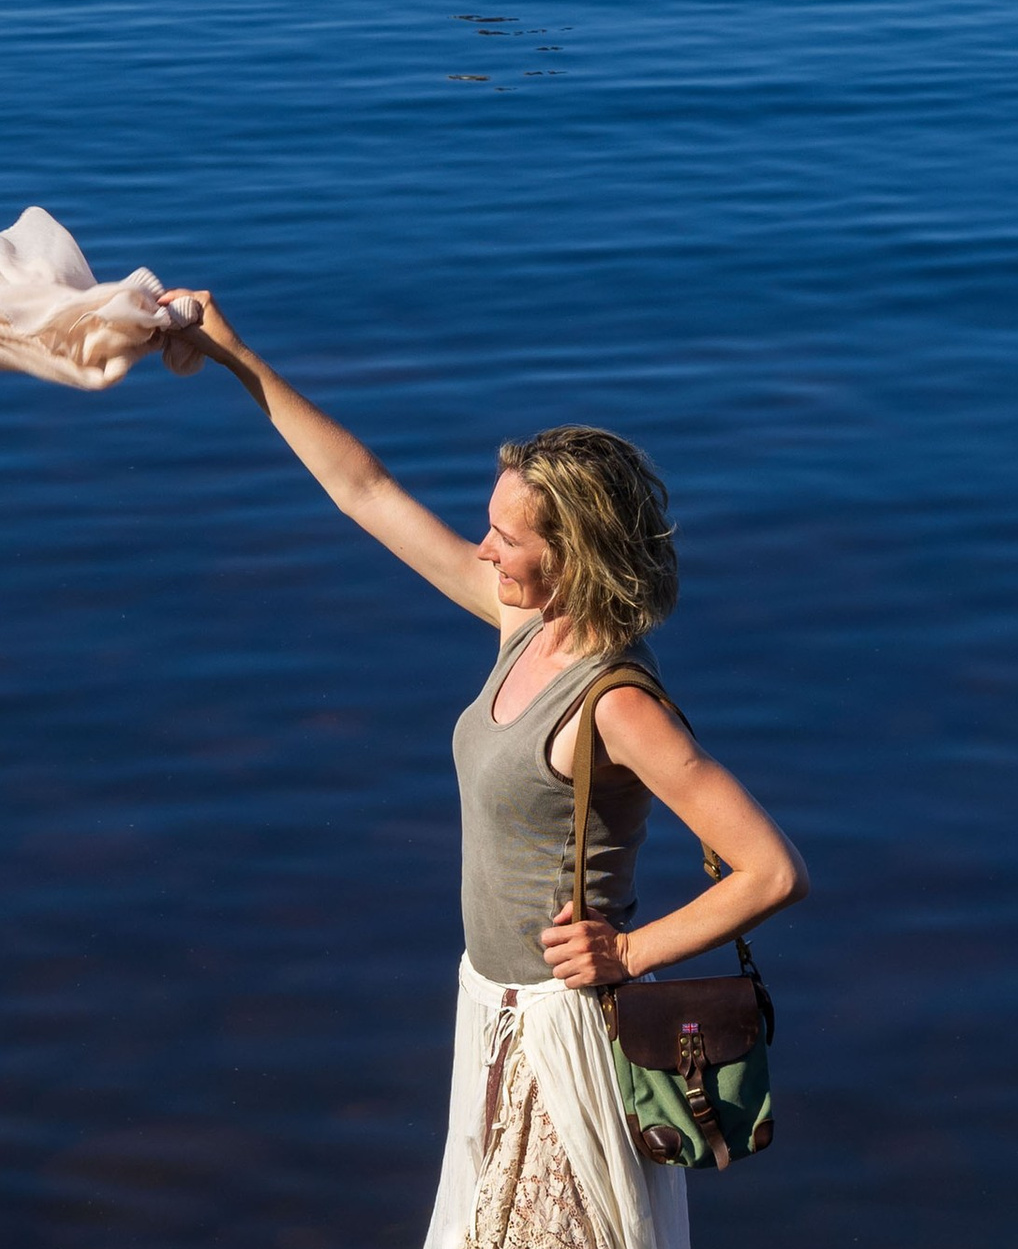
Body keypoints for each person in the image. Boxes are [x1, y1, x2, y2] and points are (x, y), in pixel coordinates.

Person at [166, 291, 809, 1249]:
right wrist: (237, 359)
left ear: (574, 553)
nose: (484, 548)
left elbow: (772, 868)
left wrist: (631, 953)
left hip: (565, 1034)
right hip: (493, 1009)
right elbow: (367, 491)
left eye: (508, 536)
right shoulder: (526, 625)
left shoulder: (616, 705)